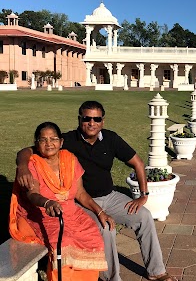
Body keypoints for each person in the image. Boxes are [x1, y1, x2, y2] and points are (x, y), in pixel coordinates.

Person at [16, 101, 177, 281]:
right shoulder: (66, 140)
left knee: (144, 216)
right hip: (82, 202)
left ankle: (156, 272)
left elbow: (138, 163)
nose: (91, 123)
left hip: (111, 197)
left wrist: (143, 195)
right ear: (80, 119)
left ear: (102, 121)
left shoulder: (111, 138)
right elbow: (28, 150)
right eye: (87, 118)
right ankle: (112, 278)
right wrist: (22, 166)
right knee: (106, 228)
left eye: (96, 119)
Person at [10, 122, 109, 281]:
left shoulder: (70, 159)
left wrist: (100, 211)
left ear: (61, 142)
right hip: (43, 212)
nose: (49, 144)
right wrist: (47, 203)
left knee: (94, 236)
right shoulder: (32, 164)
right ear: (36, 144)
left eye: (53, 139)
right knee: (64, 242)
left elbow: (81, 193)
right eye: (43, 140)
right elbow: (32, 195)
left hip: (71, 211)